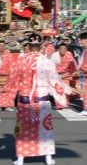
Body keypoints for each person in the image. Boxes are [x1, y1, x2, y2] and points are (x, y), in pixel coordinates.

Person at [12, 33, 76, 165]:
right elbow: (55, 82)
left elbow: (12, 82)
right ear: (41, 45)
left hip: (25, 101)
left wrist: (6, 89)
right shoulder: (47, 62)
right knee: (45, 128)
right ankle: (47, 157)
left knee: (23, 129)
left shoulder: (20, 61)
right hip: (42, 100)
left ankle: (21, 158)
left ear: (28, 46)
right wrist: (69, 90)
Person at [0, 40, 16, 111]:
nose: (1, 47)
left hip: (7, 75)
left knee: (8, 90)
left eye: (2, 46)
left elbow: (12, 65)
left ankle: (8, 105)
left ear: (4, 46)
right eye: (0, 46)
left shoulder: (8, 54)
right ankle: (0, 105)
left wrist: (12, 75)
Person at [51, 43, 77, 109]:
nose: (63, 50)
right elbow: (51, 66)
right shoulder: (55, 55)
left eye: (64, 48)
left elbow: (72, 65)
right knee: (57, 89)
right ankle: (59, 105)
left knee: (65, 89)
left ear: (66, 49)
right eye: (61, 49)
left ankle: (65, 104)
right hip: (56, 74)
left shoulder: (69, 54)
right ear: (59, 49)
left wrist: (73, 74)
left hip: (66, 74)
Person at [73, 32, 87, 115]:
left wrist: (79, 71)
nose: (80, 42)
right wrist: (78, 70)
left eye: (81, 40)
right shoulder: (85, 51)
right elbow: (82, 63)